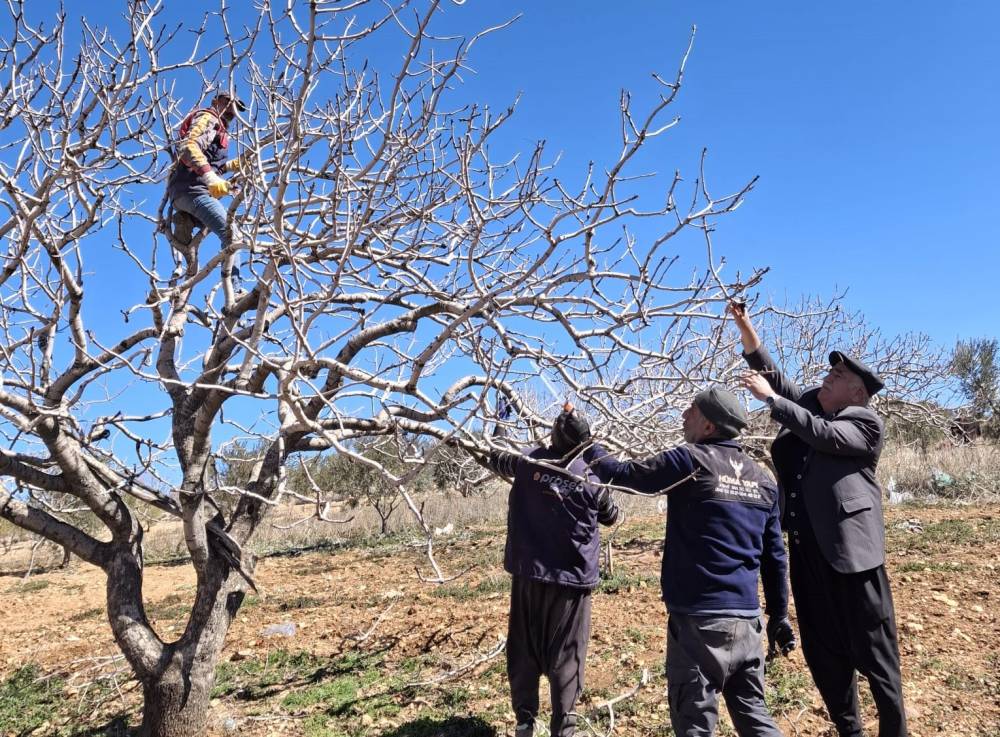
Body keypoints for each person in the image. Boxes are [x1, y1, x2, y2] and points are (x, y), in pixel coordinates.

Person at [562, 388, 792, 737]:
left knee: (694, 724)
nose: (683, 415)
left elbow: (624, 474)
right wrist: (779, 615)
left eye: (691, 410)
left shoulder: (691, 462)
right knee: (755, 718)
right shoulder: (764, 481)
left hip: (700, 625)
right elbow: (775, 555)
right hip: (747, 623)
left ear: (709, 426)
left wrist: (585, 441)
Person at [730, 300, 908, 737]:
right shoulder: (810, 407)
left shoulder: (865, 423)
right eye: (829, 373)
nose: (828, 376)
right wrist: (746, 326)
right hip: (807, 554)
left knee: (876, 655)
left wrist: (772, 401)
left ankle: (894, 730)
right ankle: (850, 731)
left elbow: (823, 434)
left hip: (852, 558)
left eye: (839, 375)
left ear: (858, 393)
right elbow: (774, 376)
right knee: (824, 653)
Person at [479, 402, 620, 737]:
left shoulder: (529, 461)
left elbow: (494, 453)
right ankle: (564, 729)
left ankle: (525, 722)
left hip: (529, 575)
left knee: (524, 651)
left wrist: (501, 417)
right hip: (571, 584)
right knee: (567, 659)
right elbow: (611, 516)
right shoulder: (592, 472)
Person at [166, 90, 249, 250]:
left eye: (236, 107)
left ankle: (186, 220)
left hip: (185, 192)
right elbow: (188, 147)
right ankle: (232, 276)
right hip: (193, 191)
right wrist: (211, 178)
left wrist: (232, 166)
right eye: (228, 102)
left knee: (217, 223)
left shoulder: (221, 130)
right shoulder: (209, 118)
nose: (232, 109)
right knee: (233, 237)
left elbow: (209, 163)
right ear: (214, 102)